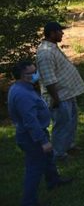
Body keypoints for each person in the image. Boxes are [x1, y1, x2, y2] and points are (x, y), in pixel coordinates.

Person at [8, 61, 73, 206]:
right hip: (31, 138)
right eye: (31, 73)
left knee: (48, 159)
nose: (35, 75)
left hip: (36, 133)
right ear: (21, 76)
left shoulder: (23, 87)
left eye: (35, 71)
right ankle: (29, 202)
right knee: (34, 168)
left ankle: (53, 181)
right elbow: (30, 121)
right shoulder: (22, 94)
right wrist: (43, 141)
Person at [36, 21, 84, 161]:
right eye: (59, 31)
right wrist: (56, 99)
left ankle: (69, 145)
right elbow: (49, 80)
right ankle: (58, 153)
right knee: (61, 125)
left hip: (67, 93)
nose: (62, 33)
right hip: (58, 97)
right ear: (52, 33)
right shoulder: (45, 54)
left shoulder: (52, 47)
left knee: (71, 122)